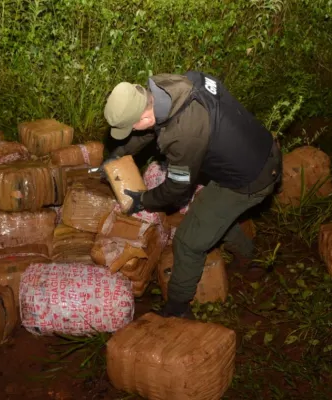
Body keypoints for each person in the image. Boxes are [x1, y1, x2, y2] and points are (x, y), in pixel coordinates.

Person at [101, 70, 282, 318]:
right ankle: (248, 256)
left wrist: (143, 200)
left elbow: (177, 188)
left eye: (131, 126)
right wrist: (119, 154)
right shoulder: (168, 86)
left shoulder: (185, 135)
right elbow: (153, 130)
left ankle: (178, 307)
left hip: (251, 178)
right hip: (257, 149)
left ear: (143, 114)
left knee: (187, 241)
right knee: (208, 210)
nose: (132, 130)